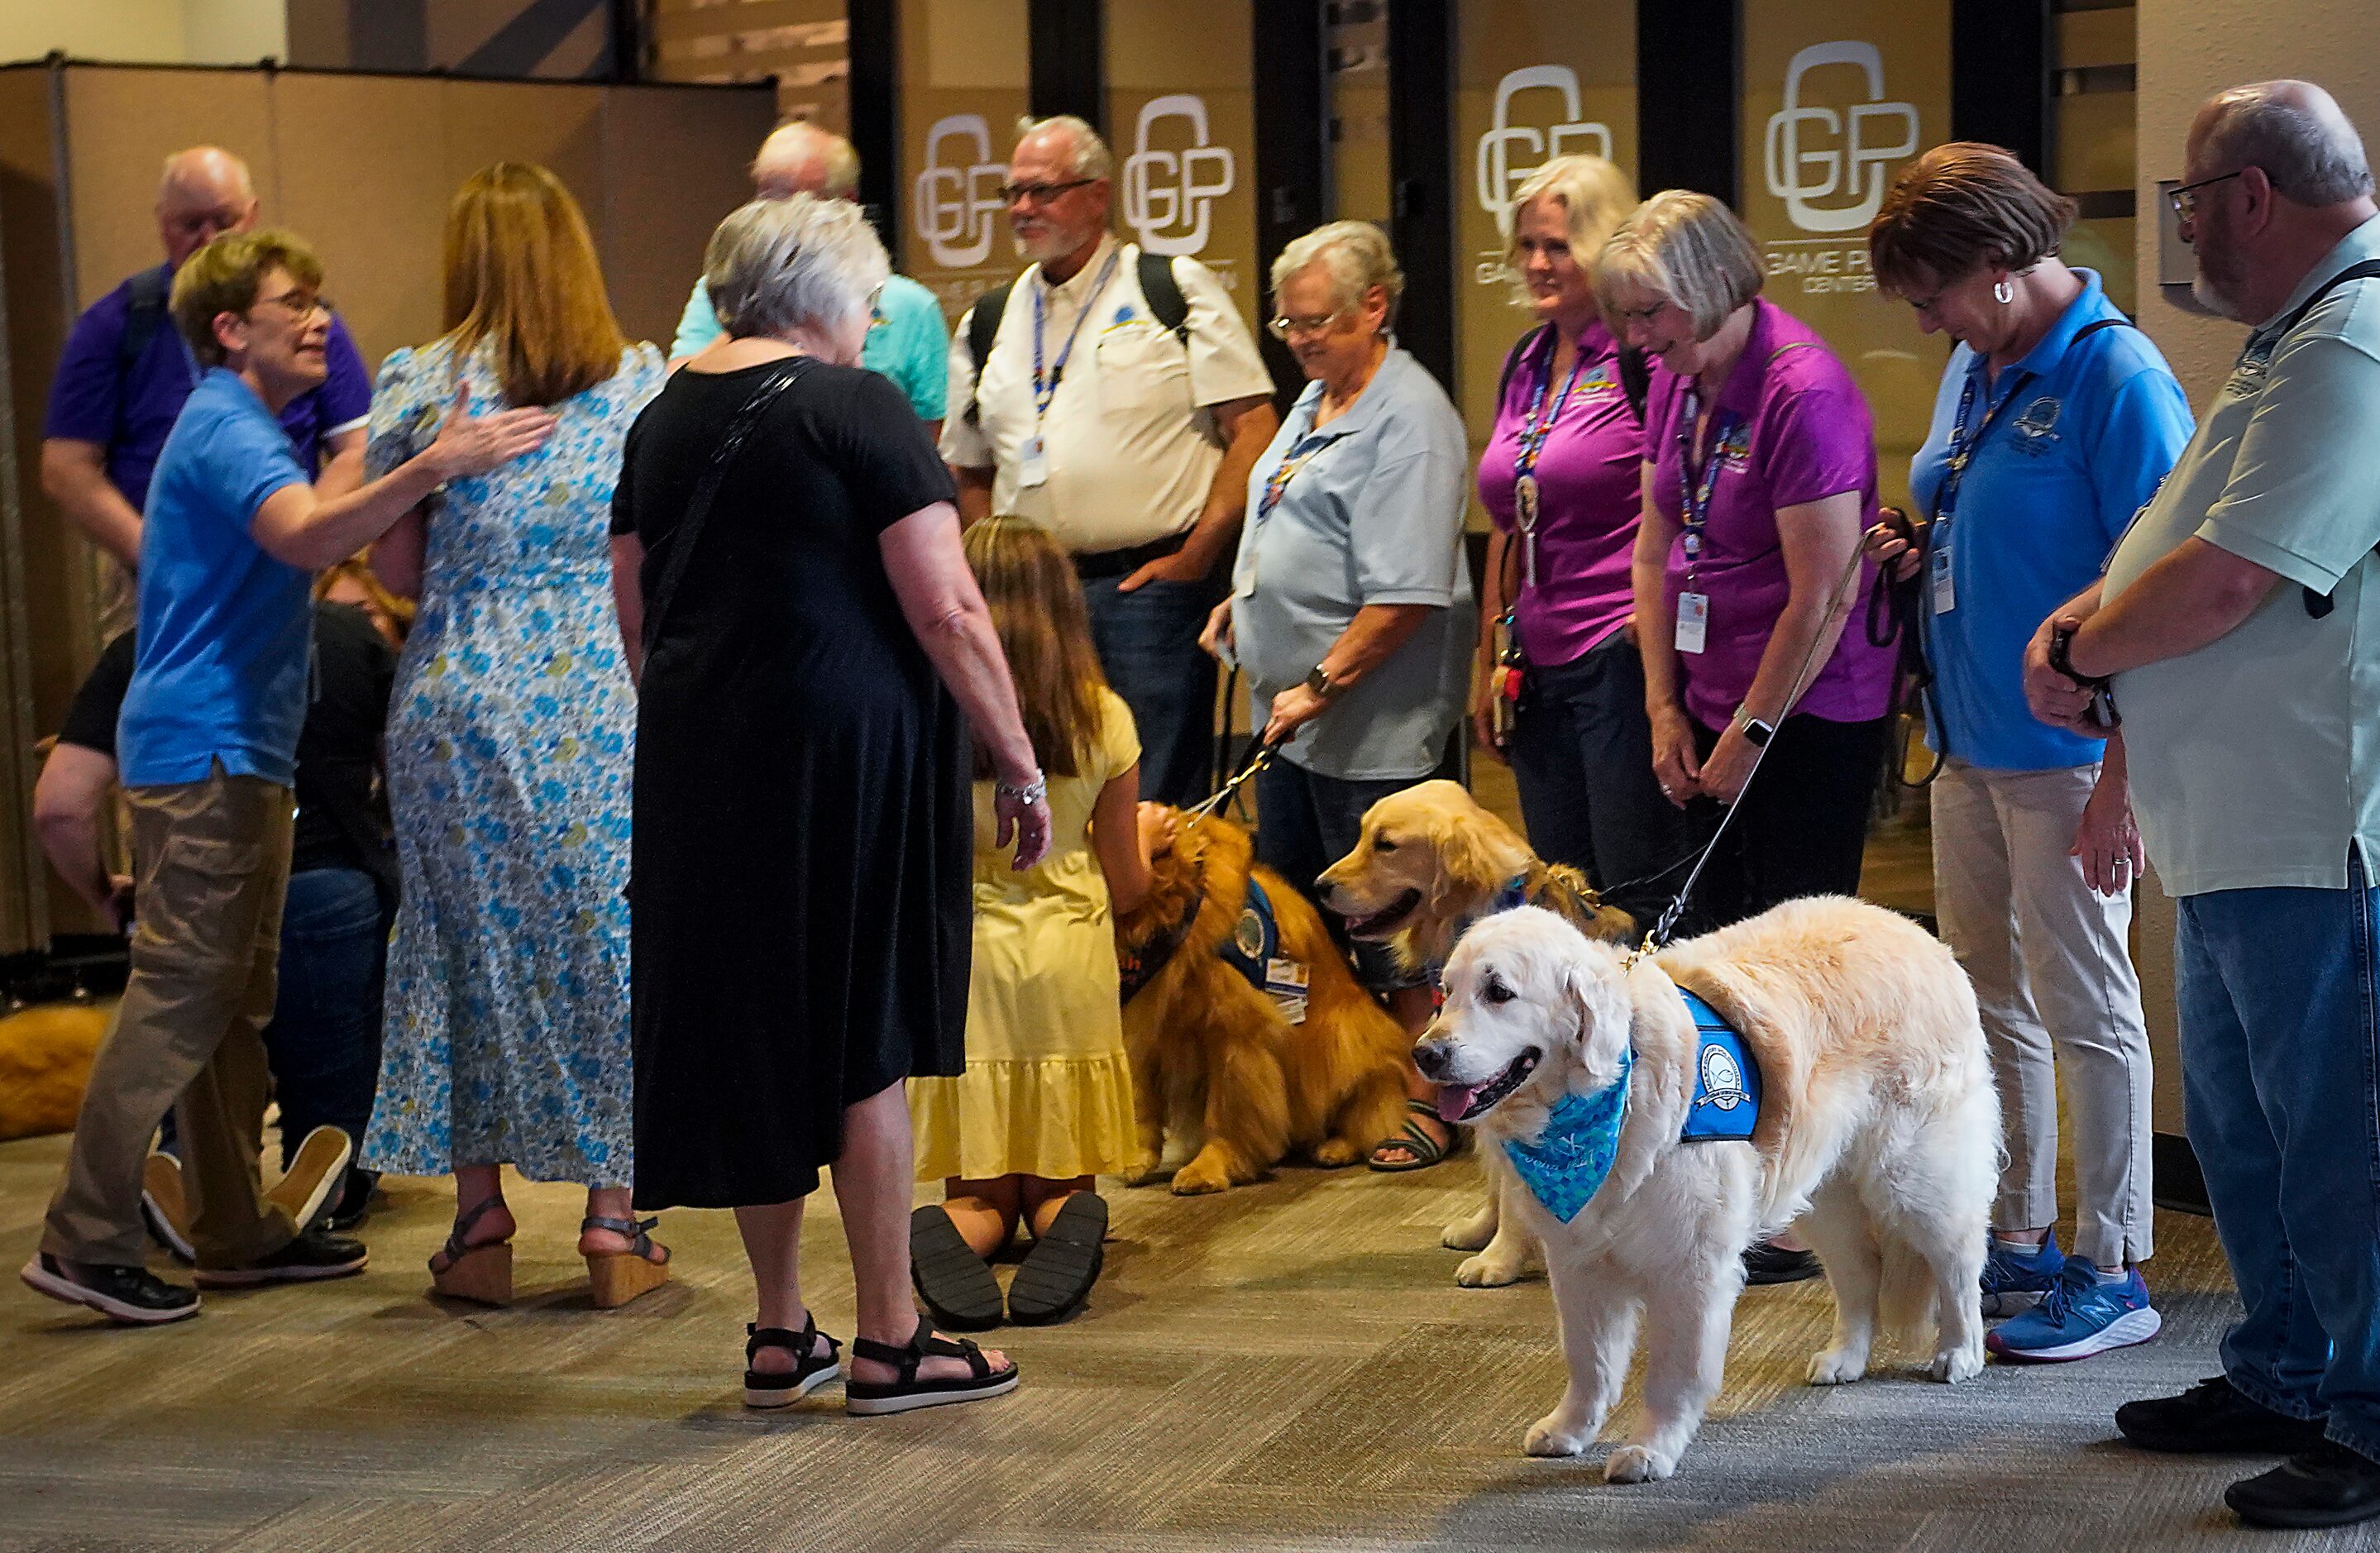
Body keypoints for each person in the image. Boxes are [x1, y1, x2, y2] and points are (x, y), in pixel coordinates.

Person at [20, 227, 554, 1326]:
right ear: (229, 329)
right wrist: (433, 462)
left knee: (225, 1005)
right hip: (206, 752)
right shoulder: (223, 427)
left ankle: (232, 1228)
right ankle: (85, 1235)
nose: (320, 318)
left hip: (228, 752)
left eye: (319, 297)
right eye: (294, 303)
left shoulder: (241, 426)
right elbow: (311, 535)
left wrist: (380, 440)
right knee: (180, 999)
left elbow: (323, 493)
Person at [614, 194, 1047, 1413]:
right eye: (865, 300)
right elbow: (948, 606)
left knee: (755, 1028)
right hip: (846, 755)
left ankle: (777, 1327)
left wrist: (717, 715)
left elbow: (636, 616)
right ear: (816, 292)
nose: (869, 324)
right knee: (863, 1032)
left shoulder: (662, 416)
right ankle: (893, 1338)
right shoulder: (854, 406)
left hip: (699, 759)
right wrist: (1014, 757)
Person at [2023, 81, 2380, 1531]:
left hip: (2314, 827)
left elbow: (2230, 574)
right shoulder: (2287, 342)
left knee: (2333, 1138)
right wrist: (2096, 638)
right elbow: (2182, 544)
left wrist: (2073, 648)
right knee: (2244, 1130)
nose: (2177, 224)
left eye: (2183, 195)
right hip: (2229, 824)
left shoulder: (2351, 341)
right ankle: (2286, 1366)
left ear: (2247, 194)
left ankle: (2363, 1413)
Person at [1863, 143, 2192, 1363]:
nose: (1926, 320)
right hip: (1965, 742)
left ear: (2000, 268)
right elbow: (1977, 517)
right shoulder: (1978, 364)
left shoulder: (2117, 377)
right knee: (1987, 998)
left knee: (2086, 1000)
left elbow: (2157, 585)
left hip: (2070, 757)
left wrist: (2124, 777)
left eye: (1934, 294)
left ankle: (2113, 1263)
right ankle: (2021, 1232)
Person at [356, 164, 666, 1310]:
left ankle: (478, 1219)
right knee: (606, 937)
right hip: (595, 690)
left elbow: (392, 568)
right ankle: (611, 1217)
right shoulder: (636, 383)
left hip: (454, 693)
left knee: (453, 945)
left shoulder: (420, 388)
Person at [1595, 192, 1895, 1285]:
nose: (1636, 341)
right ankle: (1734, 1181)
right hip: (1714, 697)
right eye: (1626, 318)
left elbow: (1820, 593)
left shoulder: (1801, 390)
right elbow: (1650, 547)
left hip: (1807, 712)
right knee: (1718, 959)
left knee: (1793, 964)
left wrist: (1749, 736)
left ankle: (1793, 1199)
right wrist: (1666, 707)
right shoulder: (1680, 380)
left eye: (1649, 314)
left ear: (1712, 287)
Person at [1198, 220, 1474, 1173]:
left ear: (1374, 306)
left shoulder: (1410, 418)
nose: (1302, 339)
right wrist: (1243, 608)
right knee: (1303, 930)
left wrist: (1316, 683)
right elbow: (1283, 523)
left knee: (1399, 931)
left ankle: (1432, 1101)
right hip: (1297, 717)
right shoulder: (1318, 397)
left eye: (1318, 321)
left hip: (1368, 724)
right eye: (1289, 325)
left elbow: (1403, 596)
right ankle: (1339, 1091)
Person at [32, 591, 399, 1249]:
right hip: (326, 887)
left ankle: (182, 1181)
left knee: (191, 1078)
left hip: (187, 891)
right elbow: (403, 770)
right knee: (332, 1114)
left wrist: (104, 897)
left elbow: (60, 806)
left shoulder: (144, 651)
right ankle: (324, 1190)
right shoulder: (347, 636)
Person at [943, 115, 1280, 807]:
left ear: (1098, 195)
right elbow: (970, 470)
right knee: (1047, 784)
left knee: (1153, 797)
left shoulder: (1169, 288)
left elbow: (1252, 429)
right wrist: (995, 577)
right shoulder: (989, 319)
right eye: (1014, 193)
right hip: (1033, 597)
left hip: (1147, 592)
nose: (1022, 210)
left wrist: (1195, 557)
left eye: (1042, 192)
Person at [906, 516, 1175, 1331]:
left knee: (981, 1190)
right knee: (1060, 1180)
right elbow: (1127, 885)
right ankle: (1068, 1220)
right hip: (1067, 961)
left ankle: (953, 1231)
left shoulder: (929, 709)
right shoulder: (1102, 716)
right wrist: (1152, 844)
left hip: (966, 967)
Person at [1471, 154, 1689, 928]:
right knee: (1562, 894)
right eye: (1526, 245)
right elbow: (1509, 519)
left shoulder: (1641, 358)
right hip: (1535, 661)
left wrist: (1652, 633)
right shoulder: (1526, 362)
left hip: (1616, 658)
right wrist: (1487, 657)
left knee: (1637, 893)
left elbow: (1680, 504)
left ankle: (1663, 1048)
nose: (1536, 263)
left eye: (1557, 245)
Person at [42, 147, 371, 622]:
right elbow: (67, 468)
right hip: (161, 569)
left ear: (252, 216)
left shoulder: (308, 324)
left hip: (287, 556)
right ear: (161, 222)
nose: (208, 238)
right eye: (190, 224)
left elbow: (356, 447)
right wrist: (158, 560)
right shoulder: (115, 324)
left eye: (223, 220)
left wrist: (306, 536)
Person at [670, 122, 949, 431]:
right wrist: (752, 325)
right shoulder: (728, 289)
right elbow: (679, 388)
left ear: (846, 203)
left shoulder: (912, 307)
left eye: (794, 203)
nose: (771, 221)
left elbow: (930, 440)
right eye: (764, 200)